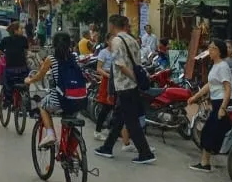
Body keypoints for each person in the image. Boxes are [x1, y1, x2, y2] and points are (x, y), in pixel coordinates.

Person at [94, 15, 156, 165]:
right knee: (118, 119)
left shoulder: (116, 41)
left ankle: (145, 152)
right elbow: (138, 61)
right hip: (130, 87)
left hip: (125, 86)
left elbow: (120, 65)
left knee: (131, 121)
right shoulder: (132, 40)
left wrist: (133, 78)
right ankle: (107, 147)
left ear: (113, 25)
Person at [23, 32, 86, 149]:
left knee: (42, 106)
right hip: (79, 99)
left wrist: (29, 80)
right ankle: (71, 154)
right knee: (69, 120)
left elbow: (39, 76)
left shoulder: (51, 59)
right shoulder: (75, 57)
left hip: (60, 100)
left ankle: (50, 134)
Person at [188, 39, 232, 172]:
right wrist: (195, 97)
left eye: (212, 48)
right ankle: (205, 162)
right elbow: (210, 85)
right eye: (209, 48)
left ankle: (205, 163)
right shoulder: (215, 65)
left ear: (219, 51)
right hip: (216, 101)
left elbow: (228, 88)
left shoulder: (223, 66)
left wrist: (223, 108)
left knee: (210, 131)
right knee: (211, 132)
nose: (210, 51)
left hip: (222, 102)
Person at [0, 21, 30, 108]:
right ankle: (24, 98)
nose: (23, 30)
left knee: (6, 83)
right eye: (21, 29)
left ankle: (7, 100)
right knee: (27, 80)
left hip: (10, 70)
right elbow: (26, 53)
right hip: (23, 69)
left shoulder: (5, 40)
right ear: (15, 30)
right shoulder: (24, 40)